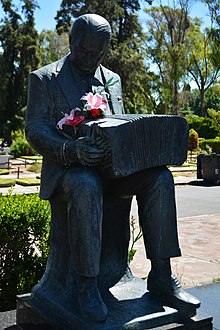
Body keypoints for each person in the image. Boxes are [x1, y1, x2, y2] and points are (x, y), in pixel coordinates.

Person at [26, 13, 200, 322]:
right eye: (83, 50)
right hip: (68, 169)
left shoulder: (112, 79)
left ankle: (161, 275)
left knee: (160, 178)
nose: (89, 58)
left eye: (97, 53)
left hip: (111, 170)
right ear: (72, 42)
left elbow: (117, 125)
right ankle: (86, 285)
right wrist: (71, 149)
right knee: (85, 184)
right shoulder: (44, 79)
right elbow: (35, 130)